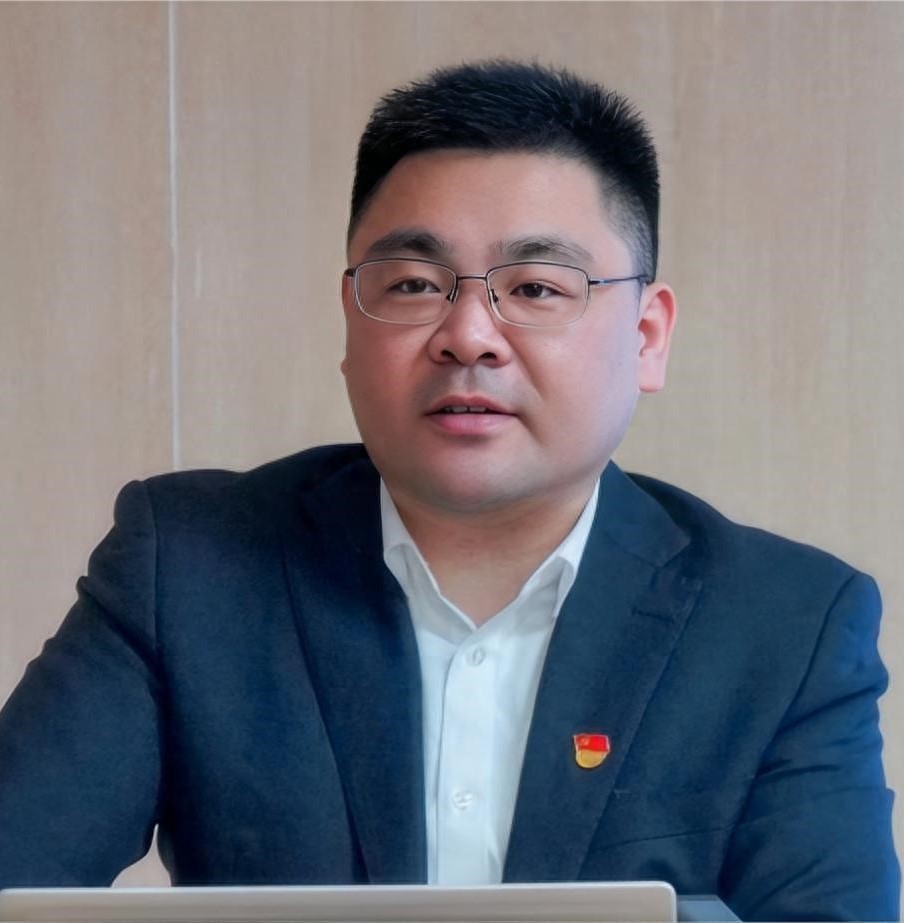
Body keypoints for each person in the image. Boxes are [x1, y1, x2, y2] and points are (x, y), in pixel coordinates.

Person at [0, 60, 898, 920]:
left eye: (536, 287)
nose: (469, 334)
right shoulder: (189, 568)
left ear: (647, 336)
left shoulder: (786, 627)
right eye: (414, 284)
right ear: (351, 320)